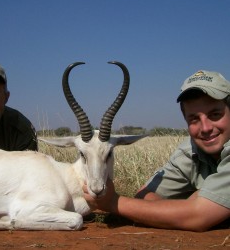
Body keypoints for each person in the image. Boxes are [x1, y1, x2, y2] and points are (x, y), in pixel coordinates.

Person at [84, 70, 230, 231]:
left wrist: (113, 202)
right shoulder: (191, 150)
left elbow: (198, 217)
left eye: (215, 114)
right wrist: (194, 204)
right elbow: (144, 195)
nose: (206, 128)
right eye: (194, 118)